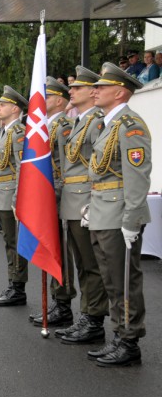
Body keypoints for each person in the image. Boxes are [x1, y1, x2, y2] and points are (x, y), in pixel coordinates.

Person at [87, 62, 152, 367]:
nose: (95, 91)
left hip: (119, 214)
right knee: (111, 280)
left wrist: (132, 219)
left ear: (120, 91)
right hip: (103, 210)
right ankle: (119, 334)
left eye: (102, 86)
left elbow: (137, 176)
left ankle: (129, 341)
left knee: (125, 280)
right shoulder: (107, 125)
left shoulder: (130, 126)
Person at [49, 66, 109, 344]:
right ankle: (85, 316)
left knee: (90, 264)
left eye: (77, 88)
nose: (71, 91)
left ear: (93, 92)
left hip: (85, 201)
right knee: (83, 264)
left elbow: (99, 167)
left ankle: (93, 319)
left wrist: (93, 201)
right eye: (71, 88)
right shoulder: (78, 123)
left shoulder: (97, 122)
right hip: (72, 201)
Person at [28, 77, 76, 328]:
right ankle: (58, 300)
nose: (41, 101)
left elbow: (67, 166)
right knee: (50, 248)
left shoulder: (64, 126)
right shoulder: (44, 125)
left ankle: (63, 303)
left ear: (59, 101)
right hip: (47, 194)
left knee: (60, 251)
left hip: (57, 195)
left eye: (46, 97)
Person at [0, 86, 29, 307]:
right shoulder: (5, 131)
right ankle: (12, 283)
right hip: (3, 192)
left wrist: (17, 199)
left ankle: (18, 288)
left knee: (15, 243)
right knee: (9, 242)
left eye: (2, 105)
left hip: (11, 193)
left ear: (15, 108)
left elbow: (23, 167)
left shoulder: (18, 132)